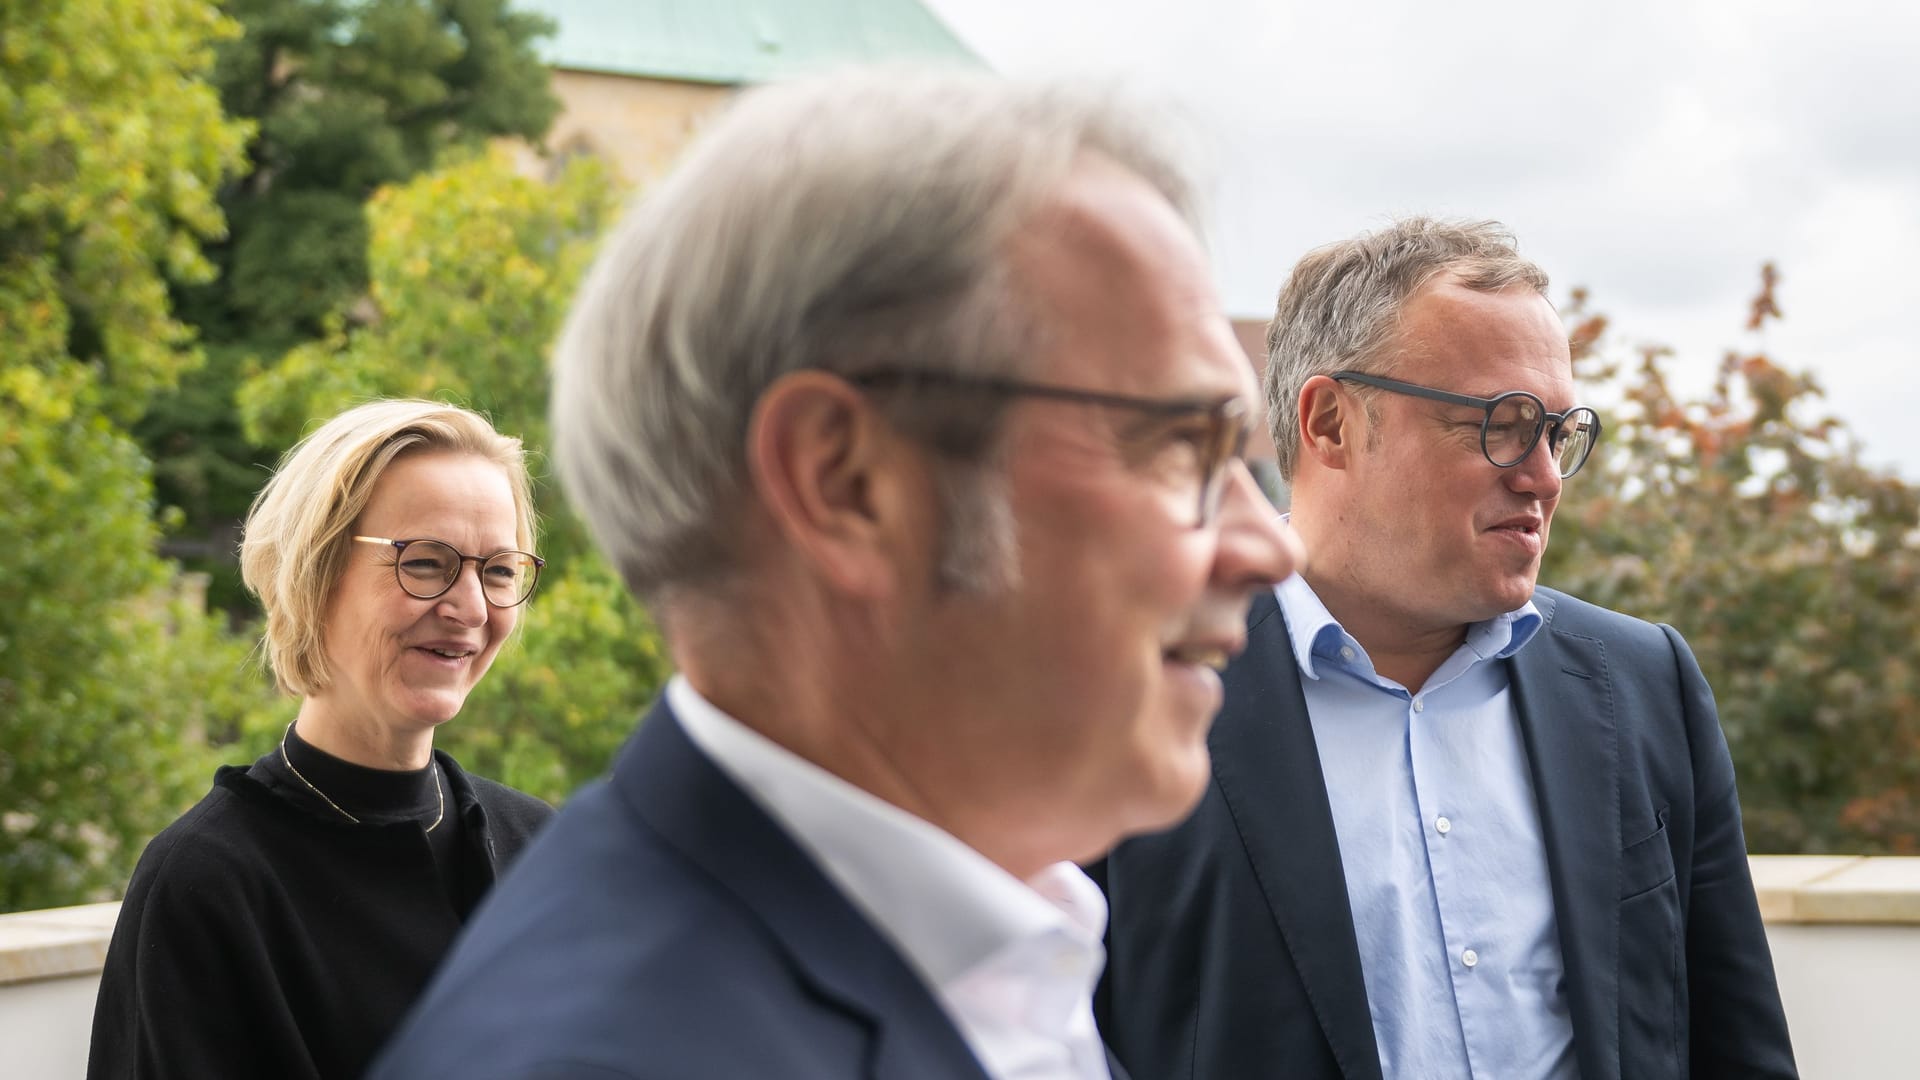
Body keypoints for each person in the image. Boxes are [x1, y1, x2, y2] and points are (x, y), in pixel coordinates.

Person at [369, 68, 1304, 1080]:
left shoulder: (990, 945)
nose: (1272, 549)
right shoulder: (613, 1054)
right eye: (1180, 447)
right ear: (846, 483)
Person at [1094, 217, 1798, 1080]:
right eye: (1499, 423)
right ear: (1330, 424)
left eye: (1556, 430)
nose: (1541, 473)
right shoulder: (1124, 692)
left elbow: (1737, 1045)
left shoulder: (1644, 684)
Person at [88, 399, 556, 1080]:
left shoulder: (539, 848)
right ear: (315, 574)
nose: (472, 608)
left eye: (499, 570)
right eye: (426, 563)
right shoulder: (207, 887)